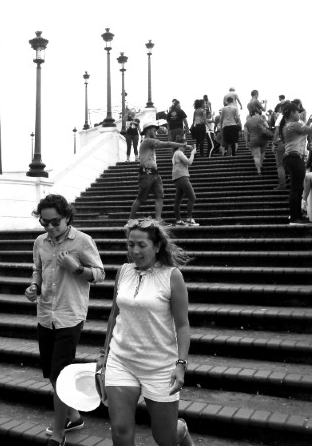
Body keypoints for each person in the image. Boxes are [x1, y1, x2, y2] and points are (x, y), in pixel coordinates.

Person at [100, 218, 194, 446]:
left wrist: (181, 364)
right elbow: (115, 314)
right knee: (120, 431)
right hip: (121, 360)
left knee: (165, 438)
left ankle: (179, 431)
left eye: (142, 245)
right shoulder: (123, 272)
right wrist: (104, 356)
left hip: (160, 365)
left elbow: (182, 324)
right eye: (131, 244)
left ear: (157, 246)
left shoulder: (172, 276)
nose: (135, 251)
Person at [24, 194, 105, 446]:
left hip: (70, 315)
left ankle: (59, 433)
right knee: (50, 371)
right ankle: (73, 414)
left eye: (54, 222)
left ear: (67, 217)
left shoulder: (82, 241)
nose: (49, 227)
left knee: (60, 375)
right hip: (45, 313)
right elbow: (38, 269)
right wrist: (34, 287)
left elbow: (100, 274)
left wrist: (77, 268)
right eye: (43, 222)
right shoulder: (40, 242)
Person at [129, 123, 192, 223]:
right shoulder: (147, 141)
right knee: (141, 198)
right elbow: (165, 144)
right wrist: (182, 145)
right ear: (148, 131)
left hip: (155, 173)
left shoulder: (149, 143)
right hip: (146, 173)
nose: (156, 133)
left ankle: (158, 220)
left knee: (160, 195)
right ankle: (130, 220)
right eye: (154, 131)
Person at [279, 103, 312, 224]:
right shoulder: (294, 125)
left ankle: (294, 215)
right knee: (297, 188)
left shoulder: (288, 126)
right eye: (297, 112)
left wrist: (308, 122)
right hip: (295, 158)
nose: (299, 114)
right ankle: (296, 217)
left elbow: (302, 133)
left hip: (289, 158)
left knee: (295, 188)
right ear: (291, 113)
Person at [172, 136, 199, 226]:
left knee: (177, 201)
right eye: (184, 145)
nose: (185, 147)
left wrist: (188, 146)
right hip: (183, 177)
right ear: (181, 145)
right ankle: (189, 218)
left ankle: (178, 220)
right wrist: (192, 153)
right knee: (192, 197)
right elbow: (189, 162)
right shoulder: (179, 153)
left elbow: (183, 147)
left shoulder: (176, 153)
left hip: (177, 178)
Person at [244, 109, 274, 175]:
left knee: (257, 156)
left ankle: (259, 171)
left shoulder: (247, 122)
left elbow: (245, 133)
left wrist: (246, 142)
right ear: (255, 113)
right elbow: (267, 126)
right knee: (262, 153)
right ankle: (260, 165)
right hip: (263, 138)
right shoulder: (260, 119)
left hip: (253, 139)